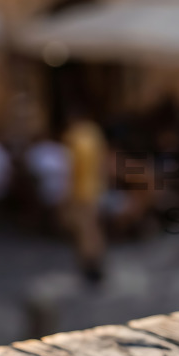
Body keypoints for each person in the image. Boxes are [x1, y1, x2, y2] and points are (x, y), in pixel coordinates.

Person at [63, 113, 109, 284]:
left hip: (80, 191)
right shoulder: (93, 132)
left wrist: (66, 194)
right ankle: (97, 263)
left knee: (84, 231)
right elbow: (102, 161)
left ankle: (90, 267)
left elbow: (71, 168)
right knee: (94, 228)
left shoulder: (73, 137)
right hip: (95, 188)